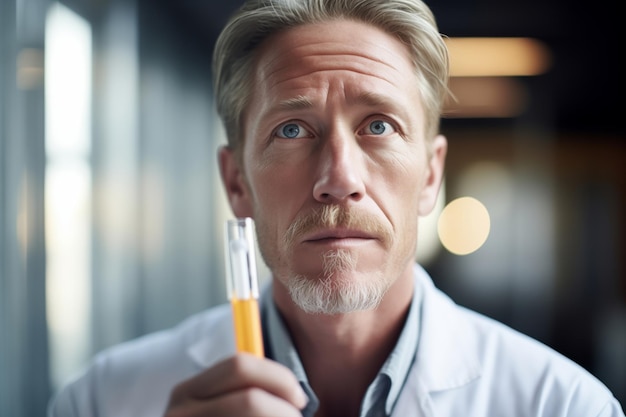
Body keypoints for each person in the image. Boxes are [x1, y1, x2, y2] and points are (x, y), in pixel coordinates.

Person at [48, 0, 624, 416]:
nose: (339, 179)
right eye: (293, 129)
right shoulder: (100, 401)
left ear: (430, 174)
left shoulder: (565, 405)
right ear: (236, 182)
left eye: (379, 125)